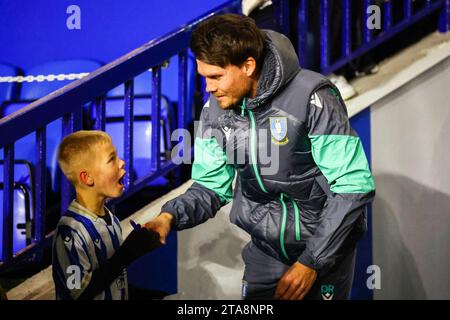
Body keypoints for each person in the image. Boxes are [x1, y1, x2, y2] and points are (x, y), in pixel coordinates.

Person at [145, 14, 375, 300]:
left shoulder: (314, 97)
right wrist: (169, 216)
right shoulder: (214, 111)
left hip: (323, 253)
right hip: (264, 253)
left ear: (248, 66)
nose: (208, 88)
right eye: (203, 77)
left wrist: (311, 262)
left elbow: (352, 185)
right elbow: (209, 186)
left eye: (216, 76)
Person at [52, 130, 161, 300]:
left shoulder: (112, 220)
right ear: (87, 178)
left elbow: (114, 283)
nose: (122, 163)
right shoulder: (70, 231)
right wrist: (128, 252)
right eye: (112, 159)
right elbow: (77, 293)